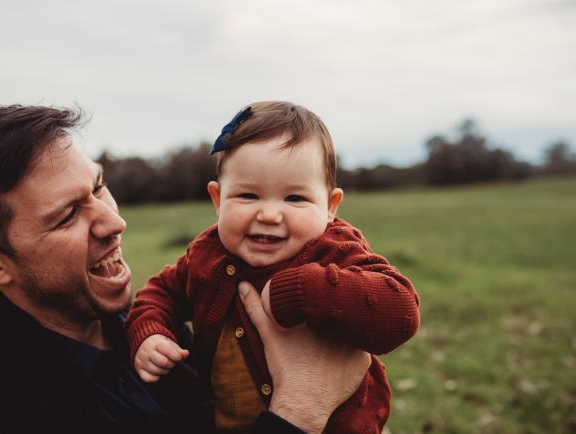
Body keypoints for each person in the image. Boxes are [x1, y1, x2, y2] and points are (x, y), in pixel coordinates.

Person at [0, 104, 371, 434]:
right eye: (66, 216)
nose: (115, 222)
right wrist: (301, 411)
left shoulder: (157, 329)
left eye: (99, 188)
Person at [126, 101, 421, 434]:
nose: (269, 214)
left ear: (330, 206)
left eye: (294, 198)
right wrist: (149, 332)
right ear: (218, 200)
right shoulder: (207, 254)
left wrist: (300, 290)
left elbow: (401, 310)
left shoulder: (332, 250)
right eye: (249, 195)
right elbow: (160, 292)